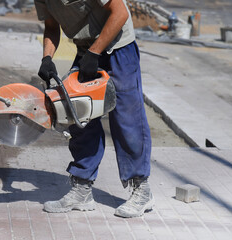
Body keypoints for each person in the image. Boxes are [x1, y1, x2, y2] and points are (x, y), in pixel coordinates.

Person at [34, 0, 153, 218]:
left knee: (126, 118)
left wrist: (94, 53)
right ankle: (82, 188)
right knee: (79, 116)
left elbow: (120, 13)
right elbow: (52, 26)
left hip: (118, 47)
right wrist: (46, 58)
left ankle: (141, 190)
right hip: (87, 48)